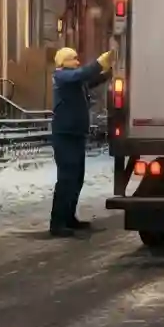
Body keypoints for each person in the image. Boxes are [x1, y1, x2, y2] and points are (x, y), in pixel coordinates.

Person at [49, 46, 114, 238]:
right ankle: (58, 222)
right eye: (74, 59)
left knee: (76, 178)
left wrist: (109, 71)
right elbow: (82, 74)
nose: (77, 62)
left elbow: (90, 79)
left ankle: (69, 217)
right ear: (65, 61)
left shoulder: (75, 80)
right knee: (67, 179)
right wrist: (100, 62)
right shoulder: (62, 76)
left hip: (75, 135)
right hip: (65, 135)